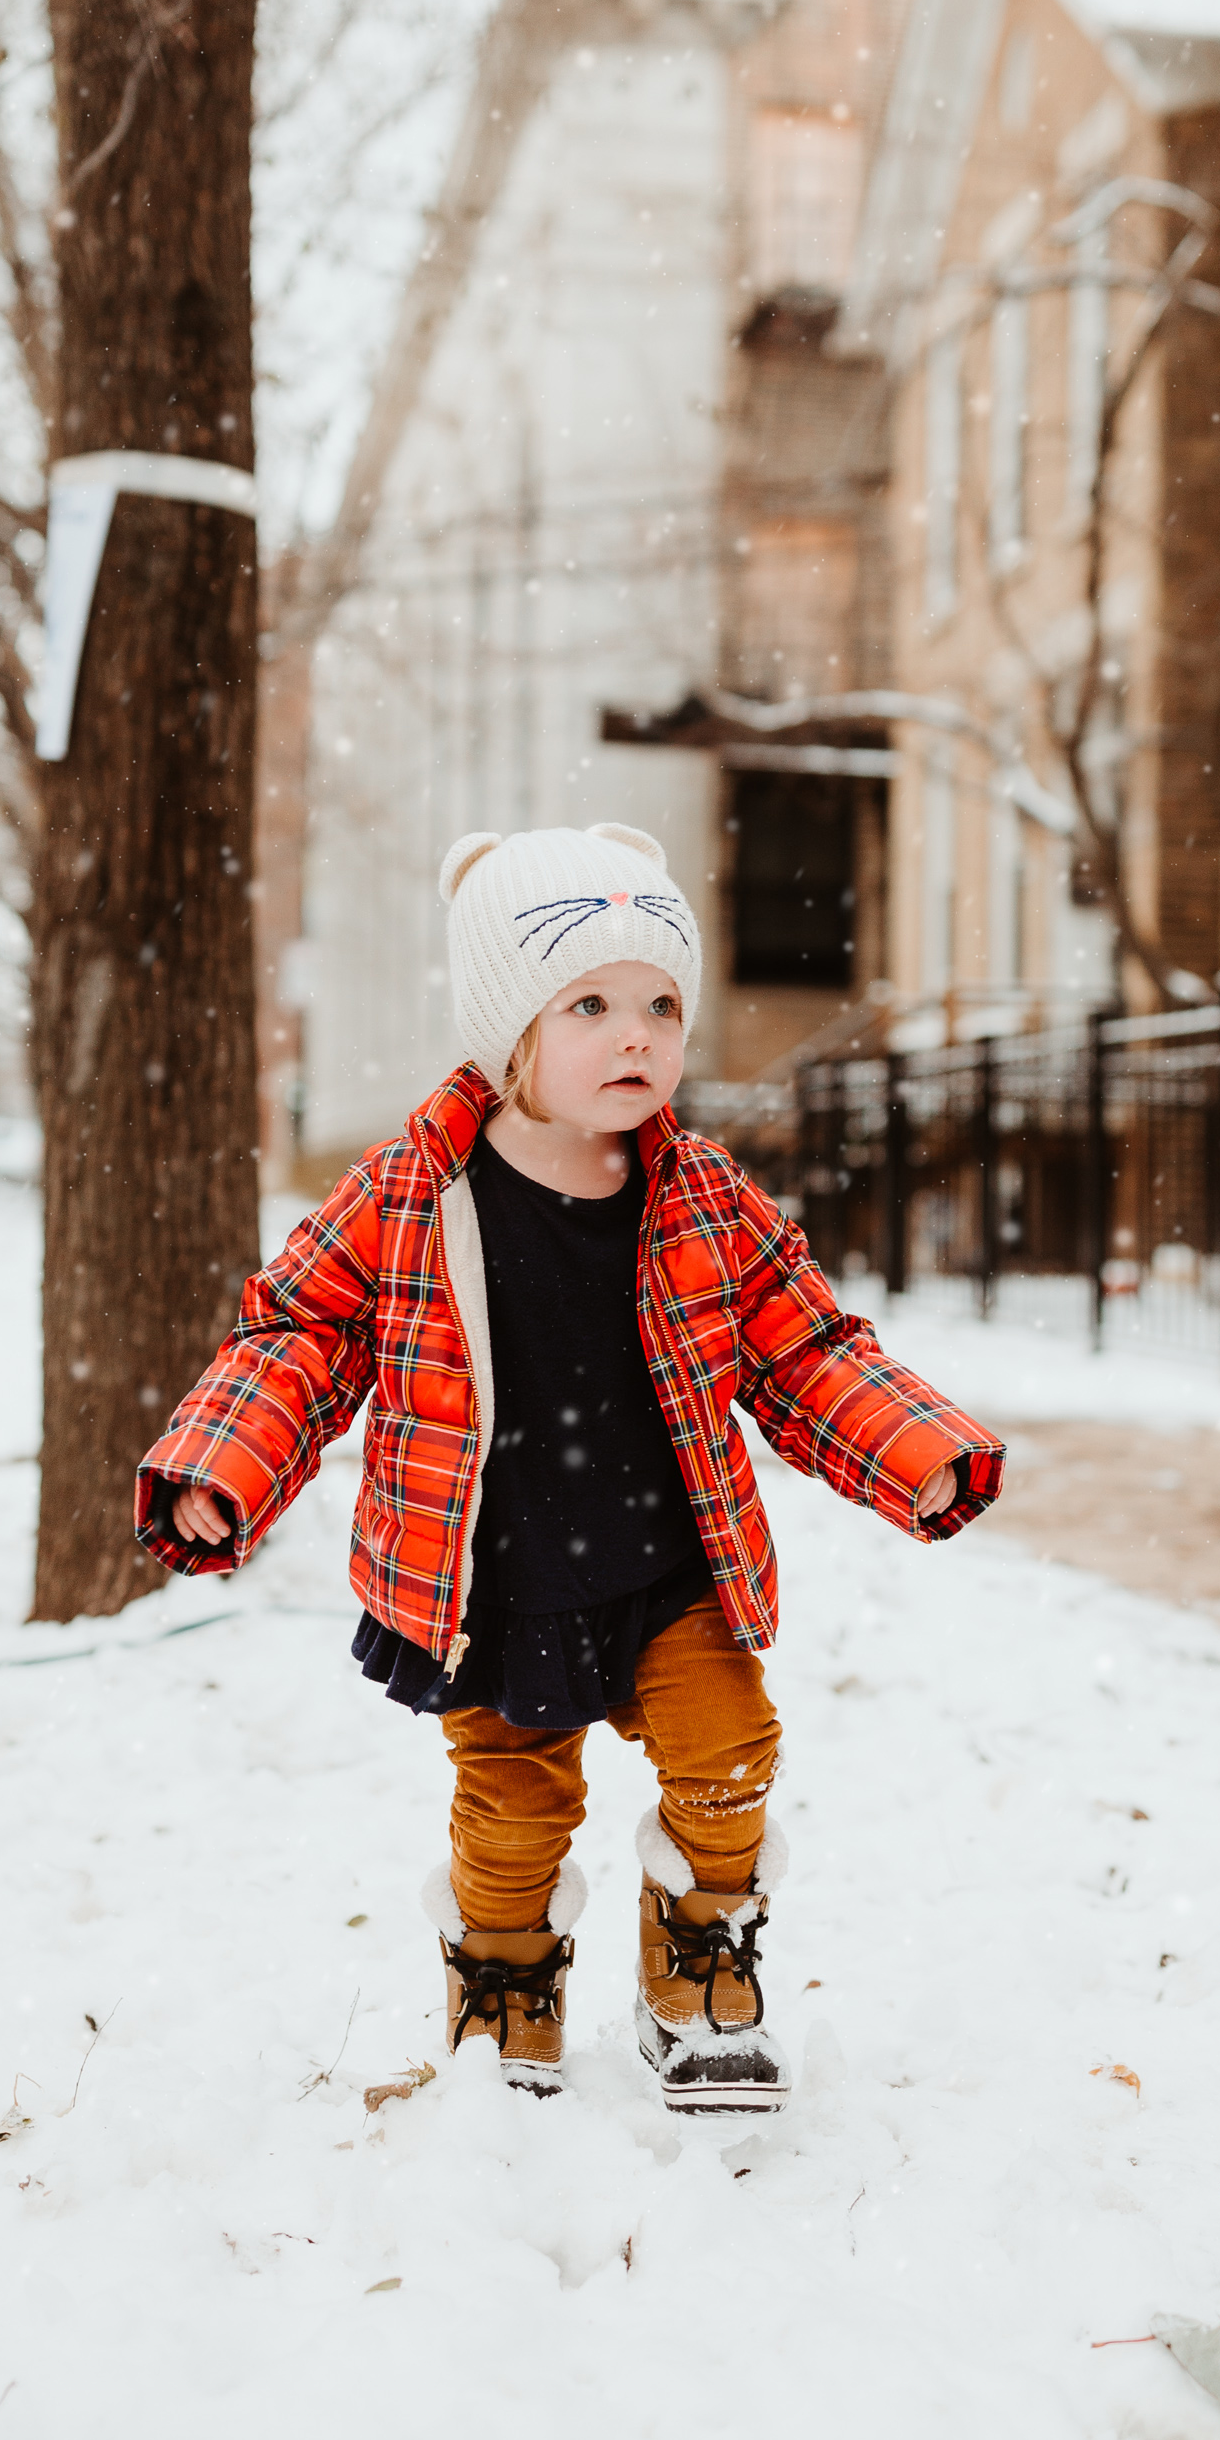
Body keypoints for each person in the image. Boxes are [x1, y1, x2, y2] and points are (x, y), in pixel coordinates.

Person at [136, 823, 1004, 2112]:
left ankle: (697, 1967)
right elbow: (300, 1338)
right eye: (589, 1003)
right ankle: (504, 1993)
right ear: (507, 1025)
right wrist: (222, 1465)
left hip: (672, 1561)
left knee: (730, 1756)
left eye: (661, 1002)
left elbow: (803, 1342)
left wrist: (914, 1448)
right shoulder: (408, 1197)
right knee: (512, 1813)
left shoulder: (703, 1195)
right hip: (486, 1577)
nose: (637, 1033)